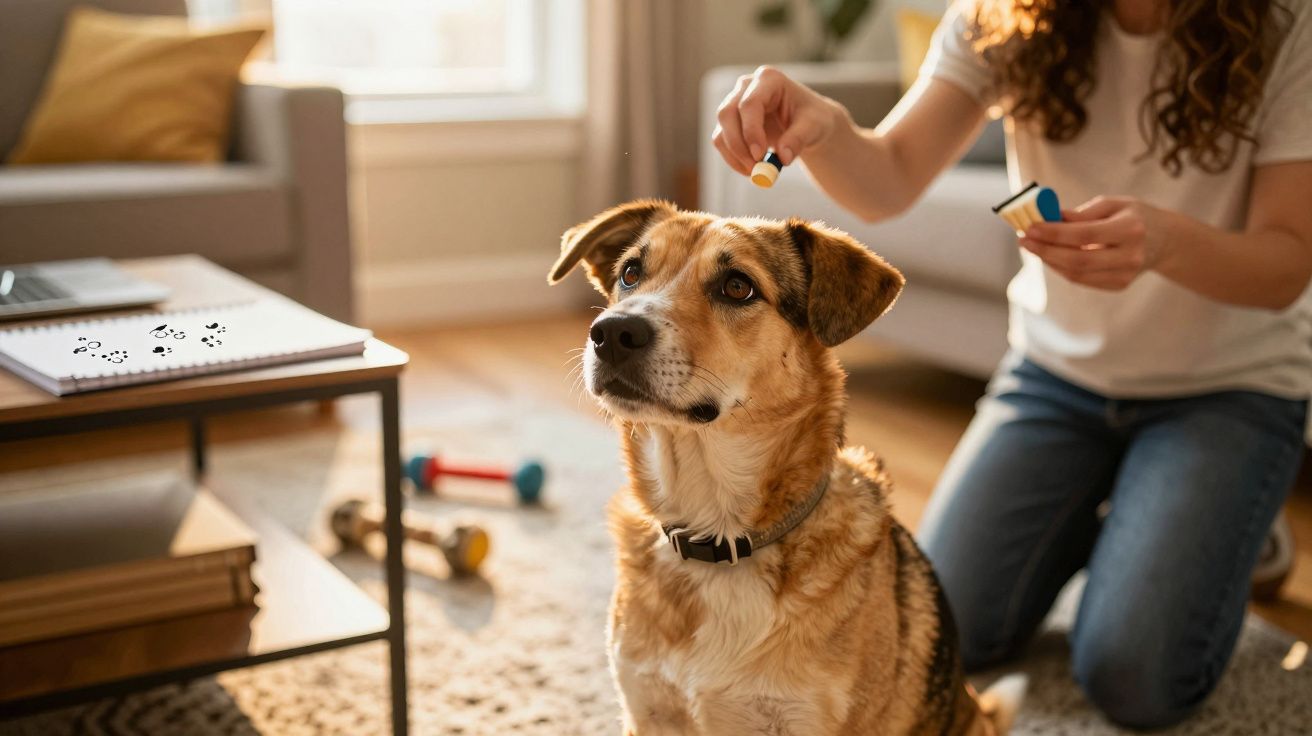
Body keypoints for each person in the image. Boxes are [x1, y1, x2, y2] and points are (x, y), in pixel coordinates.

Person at [711, 0, 1312, 728]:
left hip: (1228, 390)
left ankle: (1221, 522)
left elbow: (1287, 262)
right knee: (940, 623)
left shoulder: (1288, 23)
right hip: (1055, 382)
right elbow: (889, 178)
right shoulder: (1006, 17)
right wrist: (829, 128)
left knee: (1136, 679)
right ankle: (1149, 517)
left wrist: (1163, 242)